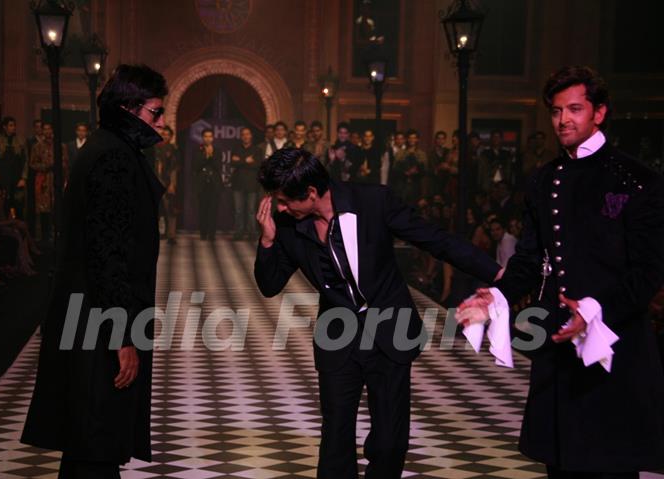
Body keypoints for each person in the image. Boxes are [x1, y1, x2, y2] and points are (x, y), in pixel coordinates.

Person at [457, 65, 664, 478]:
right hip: (557, 341)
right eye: (556, 111)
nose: (563, 120)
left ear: (599, 113)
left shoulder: (638, 181)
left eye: (575, 109)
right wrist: (495, 296)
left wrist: (595, 310)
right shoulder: (543, 180)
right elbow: (531, 260)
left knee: (609, 465)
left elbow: (648, 272)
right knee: (561, 464)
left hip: (614, 344)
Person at [255, 147, 501, 479]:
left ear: (311, 192)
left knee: (389, 440)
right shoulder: (286, 224)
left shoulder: (373, 201)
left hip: (390, 330)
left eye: (285, 200)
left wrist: (497, 274)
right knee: (335, 439)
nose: (280, 208)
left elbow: (435, 240)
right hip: (337, 337)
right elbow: (269, 284)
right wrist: (268, 240)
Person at [21, 64, 169, 478]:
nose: (161, 121)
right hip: (97, 323)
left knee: (91, 441)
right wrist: (122, 336)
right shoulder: (113, 158)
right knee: (96, 436)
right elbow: (108, 253)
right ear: (128, 108)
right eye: (155, 112)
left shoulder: (108, 149)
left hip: (89, 316)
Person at [29, 122, 69, 242]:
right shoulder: (37, 146)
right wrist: (46, 166)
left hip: (57, 178)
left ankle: (58, 234)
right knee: (44, 209)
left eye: (49, 129)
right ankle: (44, 237)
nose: (47, 131)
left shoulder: (61, 146)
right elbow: (32, 163)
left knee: (57, 207)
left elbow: (66, 162)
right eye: (44, 129)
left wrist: (60, 167)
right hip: (43, 180)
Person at [0, 116, 28, 219]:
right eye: (11, 125)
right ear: (5, 127)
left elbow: (26, 161)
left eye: (14, 125)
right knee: (4, 205)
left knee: (19, 206)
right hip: (3, 179)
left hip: (17, 178)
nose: (13, 127)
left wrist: (23, 178)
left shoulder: (21, 141)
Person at [231, 127, 262, 240]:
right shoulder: (236, 149)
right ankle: (238, 233)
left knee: (251, 211)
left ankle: (252, 234)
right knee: (238, 211)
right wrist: (246, 161)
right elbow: (232, 163)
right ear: (241, 136)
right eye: (243, 134)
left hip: (252, 185)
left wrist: (240, 161)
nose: (245, 136)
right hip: (237, 184)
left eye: (247, 134)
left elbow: (257, 165)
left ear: (251, 136)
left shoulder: (257, 150)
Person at [193, 127, 222, 241]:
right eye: (206, 136)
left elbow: (218, 166)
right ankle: (203, 234)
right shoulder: (197, 150)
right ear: (202, 138)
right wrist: (206, 156)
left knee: (213, 210)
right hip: (202, 184)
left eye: (210, 136)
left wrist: (211, 155)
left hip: (214, 184)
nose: (208, 138)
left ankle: (212, 234)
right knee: (203, 210)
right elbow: (195, 166)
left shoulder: (217, 150)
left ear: (213, 138)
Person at [153, 125, 180, 244]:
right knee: (158, 210)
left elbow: (175, 168)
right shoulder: (155, 148)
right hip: (156, 180)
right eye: (163, 134)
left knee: (171, 209)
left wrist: (172, 184)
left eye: (167, 135)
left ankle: (171, 235)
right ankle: (159, 233)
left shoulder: (174, 149)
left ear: (171, 136)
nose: (165, 136)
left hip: (168, 181)